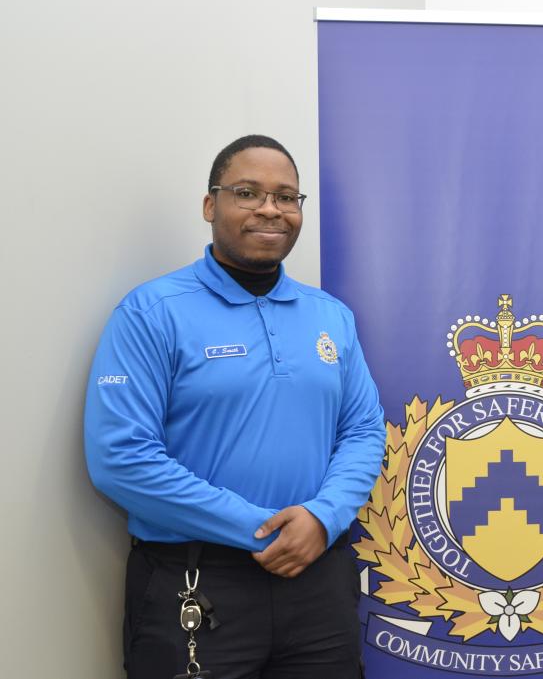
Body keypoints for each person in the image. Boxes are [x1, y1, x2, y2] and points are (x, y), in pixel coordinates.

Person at [84, 135, 385, 679]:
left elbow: (362, 430)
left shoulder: (330, 316)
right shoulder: (152, 312)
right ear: (210, 205)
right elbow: (121, 459)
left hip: (319, 581)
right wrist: (260, 529)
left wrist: (321, 517)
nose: (270, 209)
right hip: (195, 581)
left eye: (286, 197)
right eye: (247, 192)